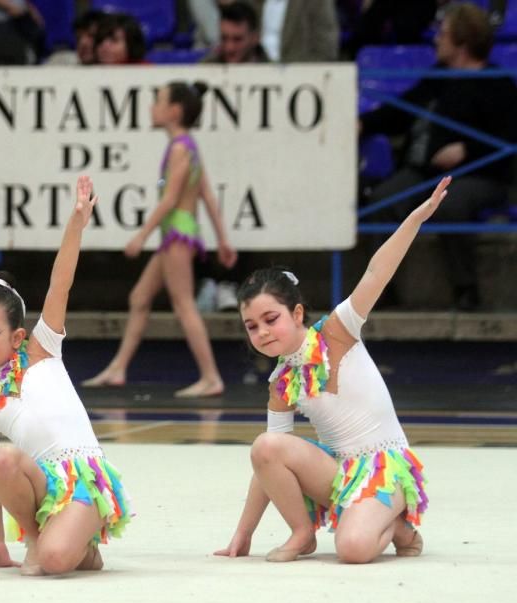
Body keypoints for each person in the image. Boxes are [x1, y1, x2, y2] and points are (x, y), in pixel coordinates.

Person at [214, 179, 447, 564]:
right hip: (338, 473)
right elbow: (267, 465)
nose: (263, 331)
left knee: (353, 550)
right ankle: (302, 533)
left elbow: (377, 273)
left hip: (384, 467)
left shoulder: (339, 331)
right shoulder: (280, 382)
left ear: (298, 313)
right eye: (252, 326)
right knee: (266, 445)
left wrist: (417, 218)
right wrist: (243, 533)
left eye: (271, 319)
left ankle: (401, 528)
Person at [0, 175, 132, 576]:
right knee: (1, 460)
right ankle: (40, 539)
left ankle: (76, 544)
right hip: (40, 487)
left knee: (56, 565)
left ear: (17, 335)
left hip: (83, 480)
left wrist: (76, 225)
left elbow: (61, 282)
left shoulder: (42, 349)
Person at [82, 82, 238, 397]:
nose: (152, 107)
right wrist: (223, 240)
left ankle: (211, 377)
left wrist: (140, 236)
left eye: (158, 101)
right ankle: (118, 368)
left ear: (174, 111)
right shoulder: (187, 145)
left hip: (177, 233)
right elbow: (206, 193)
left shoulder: (180, 147)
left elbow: (169, 200)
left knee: (183, 305)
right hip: (177, 232)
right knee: (140, 298)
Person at [360, 3, 517, 311]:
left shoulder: (497, 84)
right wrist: (365, 123)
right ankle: (378, 291)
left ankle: (465, 289)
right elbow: (403, 111)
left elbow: (508, 138)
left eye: (443, 34)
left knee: (451, 204)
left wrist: (467, 150)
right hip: (427, 173)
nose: (436, 39)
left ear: (463, 42)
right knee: (384, 199)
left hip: (480, 175)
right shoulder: (438, 77)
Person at [249, 0, 338, 62]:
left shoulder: (316, 2)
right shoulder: (251, 3)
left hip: (301, 78)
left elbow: (325, 49)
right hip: (256, 76)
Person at [201, 1, 270, 64]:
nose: (229, 48)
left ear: (255, 38)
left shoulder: (274, 73)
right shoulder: (205, 68)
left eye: (237, 39)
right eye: (224, 38)